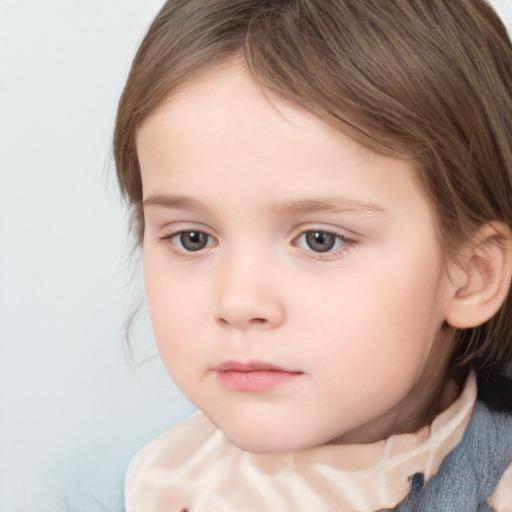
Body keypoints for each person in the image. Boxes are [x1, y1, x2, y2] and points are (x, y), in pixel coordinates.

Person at [114, 0, 512, 510]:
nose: (238, 302)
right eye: (193, 238)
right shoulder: (163, 482)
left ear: (472, 276)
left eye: (320, 239)